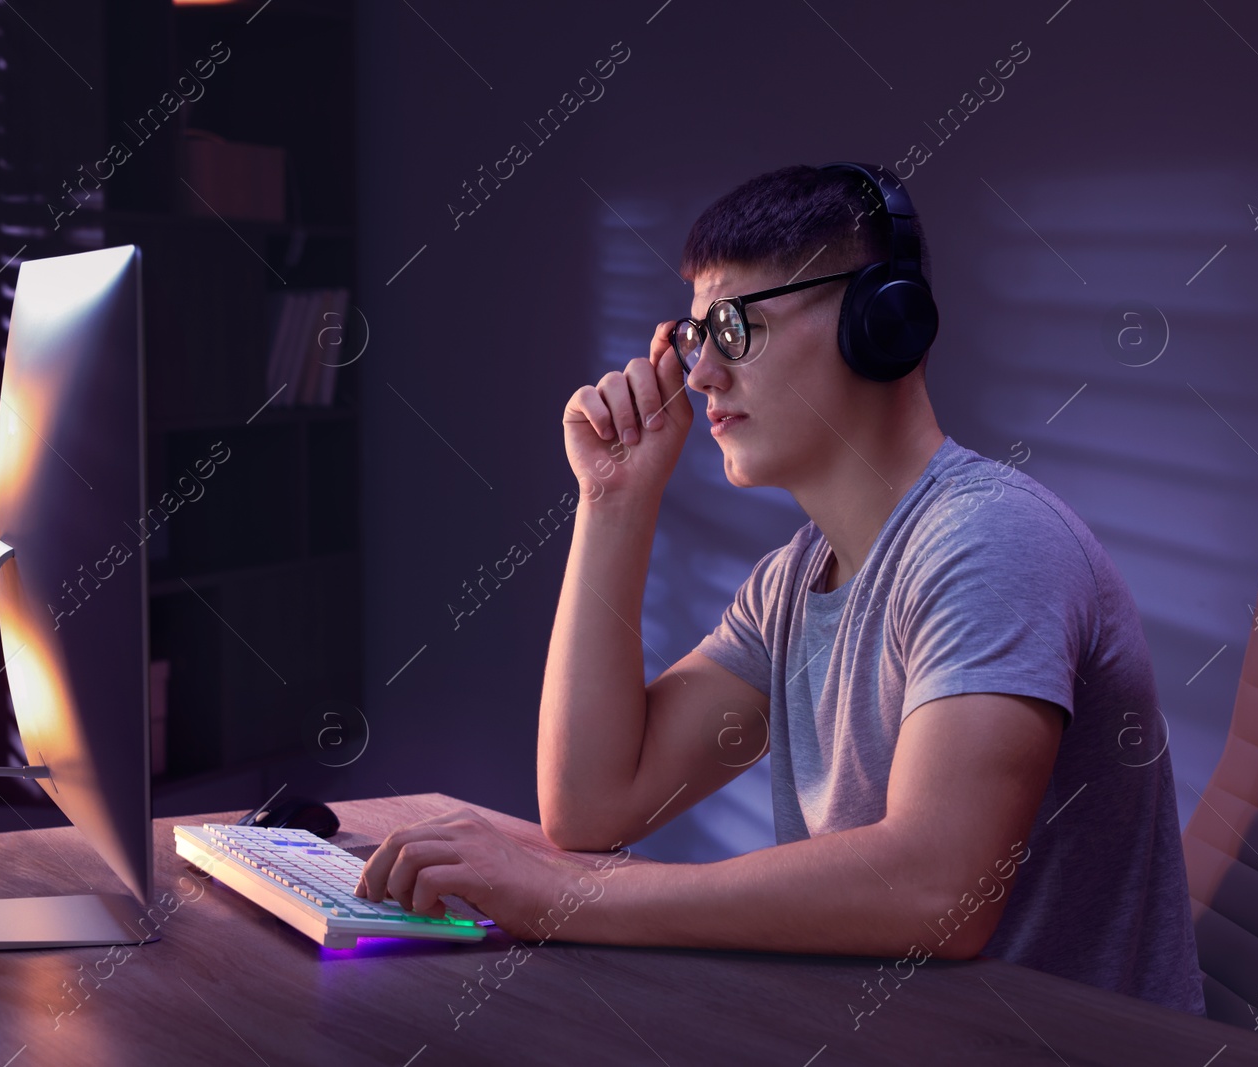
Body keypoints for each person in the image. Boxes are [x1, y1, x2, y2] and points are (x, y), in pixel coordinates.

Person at [357, 162, 1206, 1018]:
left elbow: (935, 890)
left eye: (734, 327)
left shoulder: (993, 542)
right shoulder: (793, 584)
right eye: (692, 339)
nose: (700, 377)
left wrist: (563, 899)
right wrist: (613, 501)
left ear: (883, 319)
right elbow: (592, 803)